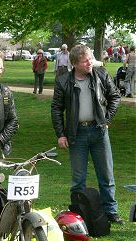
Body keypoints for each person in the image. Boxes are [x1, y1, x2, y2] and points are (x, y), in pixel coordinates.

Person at [51, 44, 123, 225]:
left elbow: (115, 96)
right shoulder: (63, 81)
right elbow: (56, 109)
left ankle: (111, 212)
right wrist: (61, 134)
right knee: (78, 178)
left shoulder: (101, 75)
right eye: (85, 61)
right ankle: (78, 213)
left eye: (90, 58)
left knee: (106, 175)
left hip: (99, 131)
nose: (90, 62)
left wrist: (107, 120)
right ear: (74, 63)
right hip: (77, 133)